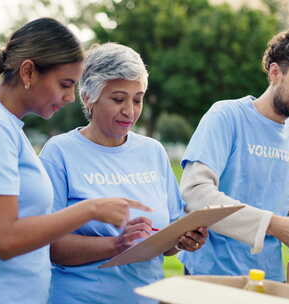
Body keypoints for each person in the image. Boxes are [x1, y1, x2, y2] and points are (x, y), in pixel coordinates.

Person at [0, 19, 150, 304]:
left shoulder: (6, 127)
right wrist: (91, 209)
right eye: (65, 84)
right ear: (29, 72)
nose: (71, 97)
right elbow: (6, 238)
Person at [39, 42, 208, 304]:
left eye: (137, 99)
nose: (130, 111)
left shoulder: (153, 152)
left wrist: (184, 239)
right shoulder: (60, 152)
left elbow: (167, 240)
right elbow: (50, 246)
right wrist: (116, 245)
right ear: (88, 98)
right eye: (118, 99)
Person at [178, 26, 289, 281]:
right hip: (210, 275)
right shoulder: (226, 116)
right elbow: (196, 193)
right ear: (275, 72)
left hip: (267, 279)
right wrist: (273, 225)